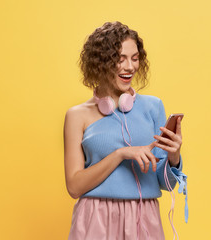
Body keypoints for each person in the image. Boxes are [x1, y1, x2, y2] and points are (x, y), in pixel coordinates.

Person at [64, 21, 186, 240]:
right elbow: (74, 187)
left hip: (144, 217)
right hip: (95, 218)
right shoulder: (76, 115)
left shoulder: (153, 106)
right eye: (120, 59)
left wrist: (174, 157)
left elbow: (164, 183)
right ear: (99, 64)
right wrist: (120, 154)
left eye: (135, 58)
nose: (130, 67)